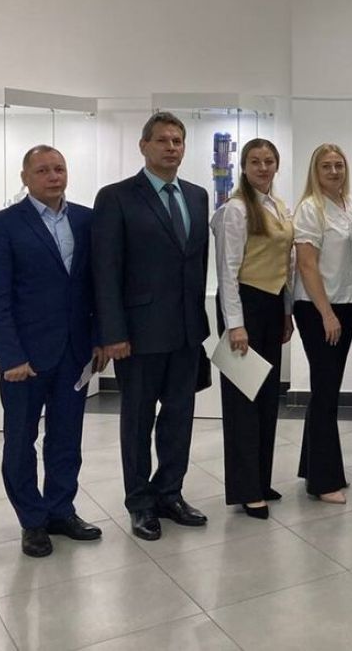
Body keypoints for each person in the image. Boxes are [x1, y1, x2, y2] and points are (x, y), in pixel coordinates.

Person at [0, 145, 106, 558]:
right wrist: (9, 356)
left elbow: (99, 286)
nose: (53, 176)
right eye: (43, 170)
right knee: (21, 440)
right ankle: (32, 520)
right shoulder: (2, 226)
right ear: (25, 177)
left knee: (67, 437)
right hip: (26, 357)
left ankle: (60, 510)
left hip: (75, 351)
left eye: (59, 169)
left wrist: (99, 338)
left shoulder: (86, 220)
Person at [93, 112, 211, 542]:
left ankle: (170, 493)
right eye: (162, 140)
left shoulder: (197, 196)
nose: (171, 147)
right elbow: (105, 269)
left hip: (185, 331)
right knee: (138, 421)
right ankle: (140, 503)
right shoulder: (117, 197)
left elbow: (196, 263)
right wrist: (112, 332)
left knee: (180, 418)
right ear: (143, 146)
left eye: (177, 140)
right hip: (138, 334)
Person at [210, 138, 294, 520]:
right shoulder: (236, 209)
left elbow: (286, 264)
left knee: (266, 399)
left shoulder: (277, 205)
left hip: (272, 306)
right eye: (255, 161)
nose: (263, 167)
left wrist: (286, 313)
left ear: (277, 165)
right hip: (244, 306)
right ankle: (246, 489)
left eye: (269, 161)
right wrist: (235, 325)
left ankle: (261, 478)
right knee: (242, 402)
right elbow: (227, 271)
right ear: (243, 167)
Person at [293, 143, 352, 504]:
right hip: (319, 310)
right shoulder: (310, 208)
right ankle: (323, 482)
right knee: (325, 392)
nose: (334, 172)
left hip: (346, 307)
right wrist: (327, 313)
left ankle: (313, 467)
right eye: (326, 166)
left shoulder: (349, 205)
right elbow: (307, 265)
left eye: (339, 165)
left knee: (327, 389)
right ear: (315, 171)